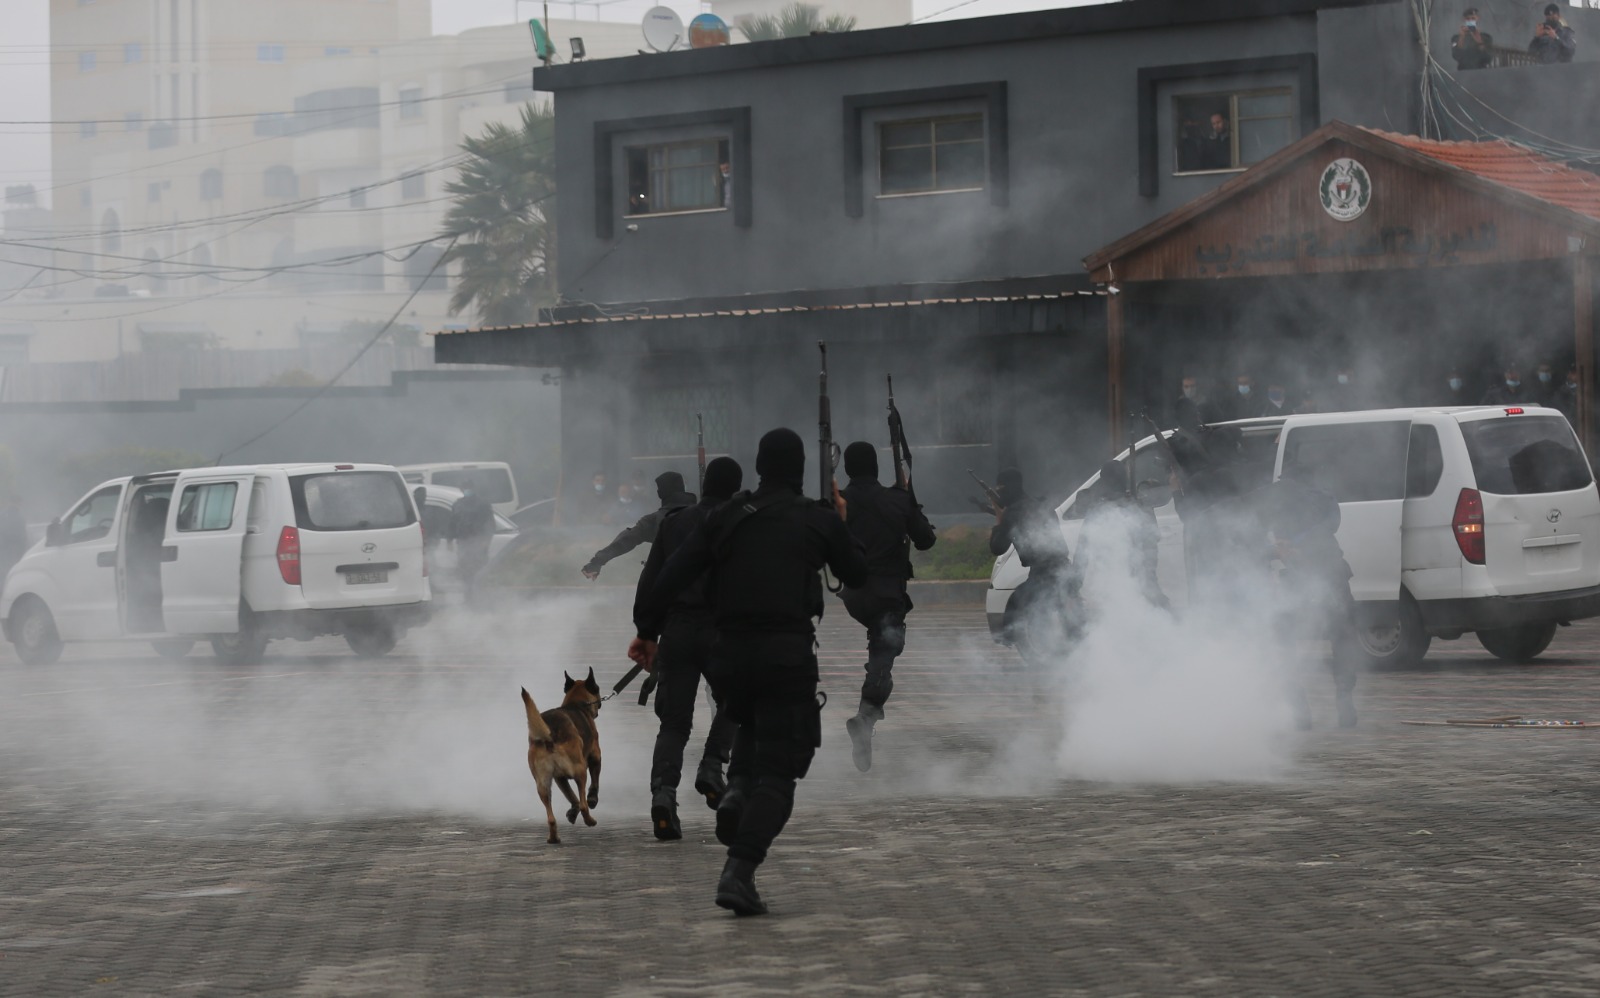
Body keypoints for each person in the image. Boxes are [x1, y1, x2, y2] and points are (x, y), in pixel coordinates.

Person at [630, 428, 868, 916]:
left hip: (730, 655)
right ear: (802, 468)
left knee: (746, 724)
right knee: (779, 776)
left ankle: (736, 790)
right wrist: (842, 521)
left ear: (758, 467)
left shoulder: (725, 518)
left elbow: (665, 577)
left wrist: (648, 632)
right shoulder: (816, 519)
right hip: (785, 656)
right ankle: (740, 871)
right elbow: (858, 574)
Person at [633, 457, 744, 841]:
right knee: (736, 702)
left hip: (678, 631)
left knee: (674, 724)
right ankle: (713, 766)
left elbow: (652, 581)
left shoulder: (674, 523)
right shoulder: (743, 522)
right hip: (722, 633)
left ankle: (663, 797)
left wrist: (647, 631)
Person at [837, 441, 937, 772]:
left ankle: (867, 717)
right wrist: (909, 498)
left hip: (852, 595)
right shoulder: (896, 499)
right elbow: (925, 540)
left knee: (880, 644)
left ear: (846, 469)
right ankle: (865, 718)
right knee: (883, 658)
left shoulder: (838, 503)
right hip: (887, 595)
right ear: (877, 467)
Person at [1259, 459, 1359, 729]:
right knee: (1344, 639)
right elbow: (1330, 526)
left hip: (1302, 579)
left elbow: (1268, 542)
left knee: (1285, 642)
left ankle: (1300, 709)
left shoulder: (1279, 501)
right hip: (1333, 575)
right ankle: (1344, 698)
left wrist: (1285, 547)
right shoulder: (1325, 498)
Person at [988, 467, 1077, 663]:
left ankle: (1041, 652)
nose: (1000, 492)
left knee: (1015, 608)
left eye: (1001, 488)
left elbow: (997, 547)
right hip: (1063, 569)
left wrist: (998, 517)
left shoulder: (1014, 513)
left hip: (1043, 575)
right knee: (1069, 618)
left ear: (1009, 488)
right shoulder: (1041, 506)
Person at [581, 471, 696, 580]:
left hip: (669, 580)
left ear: (662, 492)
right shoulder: (705, 514)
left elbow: (627, 539)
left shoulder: (655, 520)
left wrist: (597, 561)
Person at [449, 485, 495, 598]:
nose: (467, 491)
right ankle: (468, 596)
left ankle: (481, 596)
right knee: (465, 571)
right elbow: (452, 523)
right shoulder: (458, 504)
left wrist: (486, 541)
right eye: (464, 489)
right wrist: (449, 540)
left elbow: (490, 524)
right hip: (463, 543)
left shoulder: (483, 504)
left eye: (468, 488)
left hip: (479, 542)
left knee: (479, 569)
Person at [0, 490, 27, 583]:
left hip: (4, 552)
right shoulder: (19, 517)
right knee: (14, 576)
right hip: (14, 552)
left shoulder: (3, 515)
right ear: (18, 503)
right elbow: (23, 537)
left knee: (4, 575)